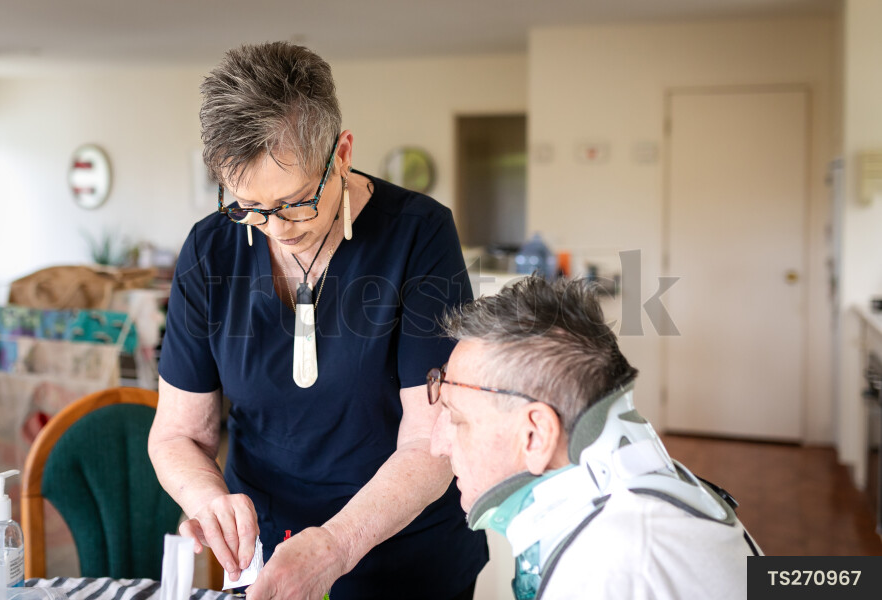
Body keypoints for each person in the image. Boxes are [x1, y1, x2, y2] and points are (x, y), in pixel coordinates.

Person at [147, 42, 487, 600]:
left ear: (342, 152)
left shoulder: (419, 235)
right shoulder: (210, 251)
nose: (274, 228)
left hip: (402, 551)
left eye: (296, 201)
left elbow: (430, 439)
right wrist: (208, 500)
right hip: (268, 554)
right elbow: (178, 433)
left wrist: (334, 546)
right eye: (248, 207)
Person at [428, 276, 760, 600]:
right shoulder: (637, 515)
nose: (437, 445)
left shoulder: (608, 568)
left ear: (536, 435)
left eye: (456, 417)